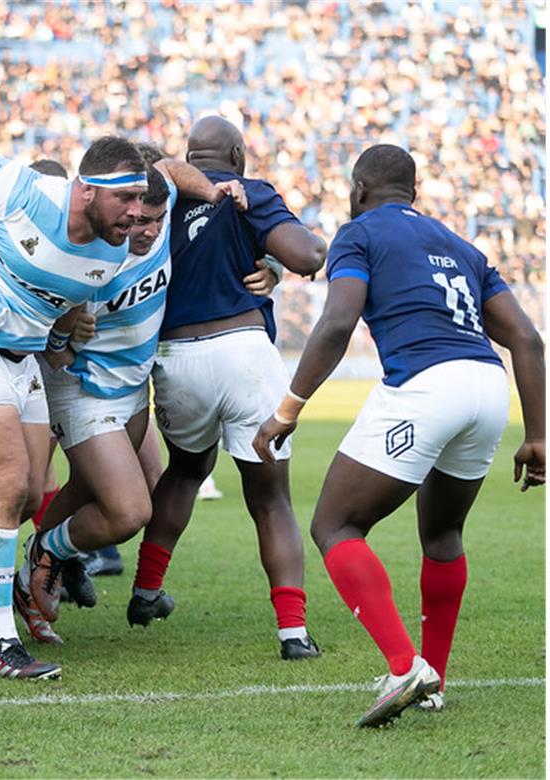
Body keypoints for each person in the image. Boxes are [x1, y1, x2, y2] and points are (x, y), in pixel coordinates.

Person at [0, 136, 238, 679]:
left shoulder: (114, 248)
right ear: (88, 190)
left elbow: (66, 307)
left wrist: (68, 339)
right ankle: (1, 646)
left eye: (143, 202)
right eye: (126, 200)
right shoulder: (25, 192)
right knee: (4, 490)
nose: (136, 214)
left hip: (21, 361)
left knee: (24, 496)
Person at [252, 144, 545, 727]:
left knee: (335, 524)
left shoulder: (358, 233)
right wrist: (539, 435)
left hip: (426, 385)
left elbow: (337, 322)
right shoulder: (461, 246)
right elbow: (527, 339)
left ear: (359, 189)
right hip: (488, 388)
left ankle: (403, 665)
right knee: (443, 534)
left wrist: (288, 408)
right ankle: (434, 681)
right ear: (413, 190)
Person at [134, 116, 328, 661]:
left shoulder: (160, 197)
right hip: (243, 352)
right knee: (270, 499)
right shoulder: (250, 192)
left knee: (185, 471)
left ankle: (146, 591)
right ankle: (293, 633)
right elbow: (309, 256)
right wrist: (280, 261)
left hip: (175, 357)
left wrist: (268, 266)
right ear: (238, 156)